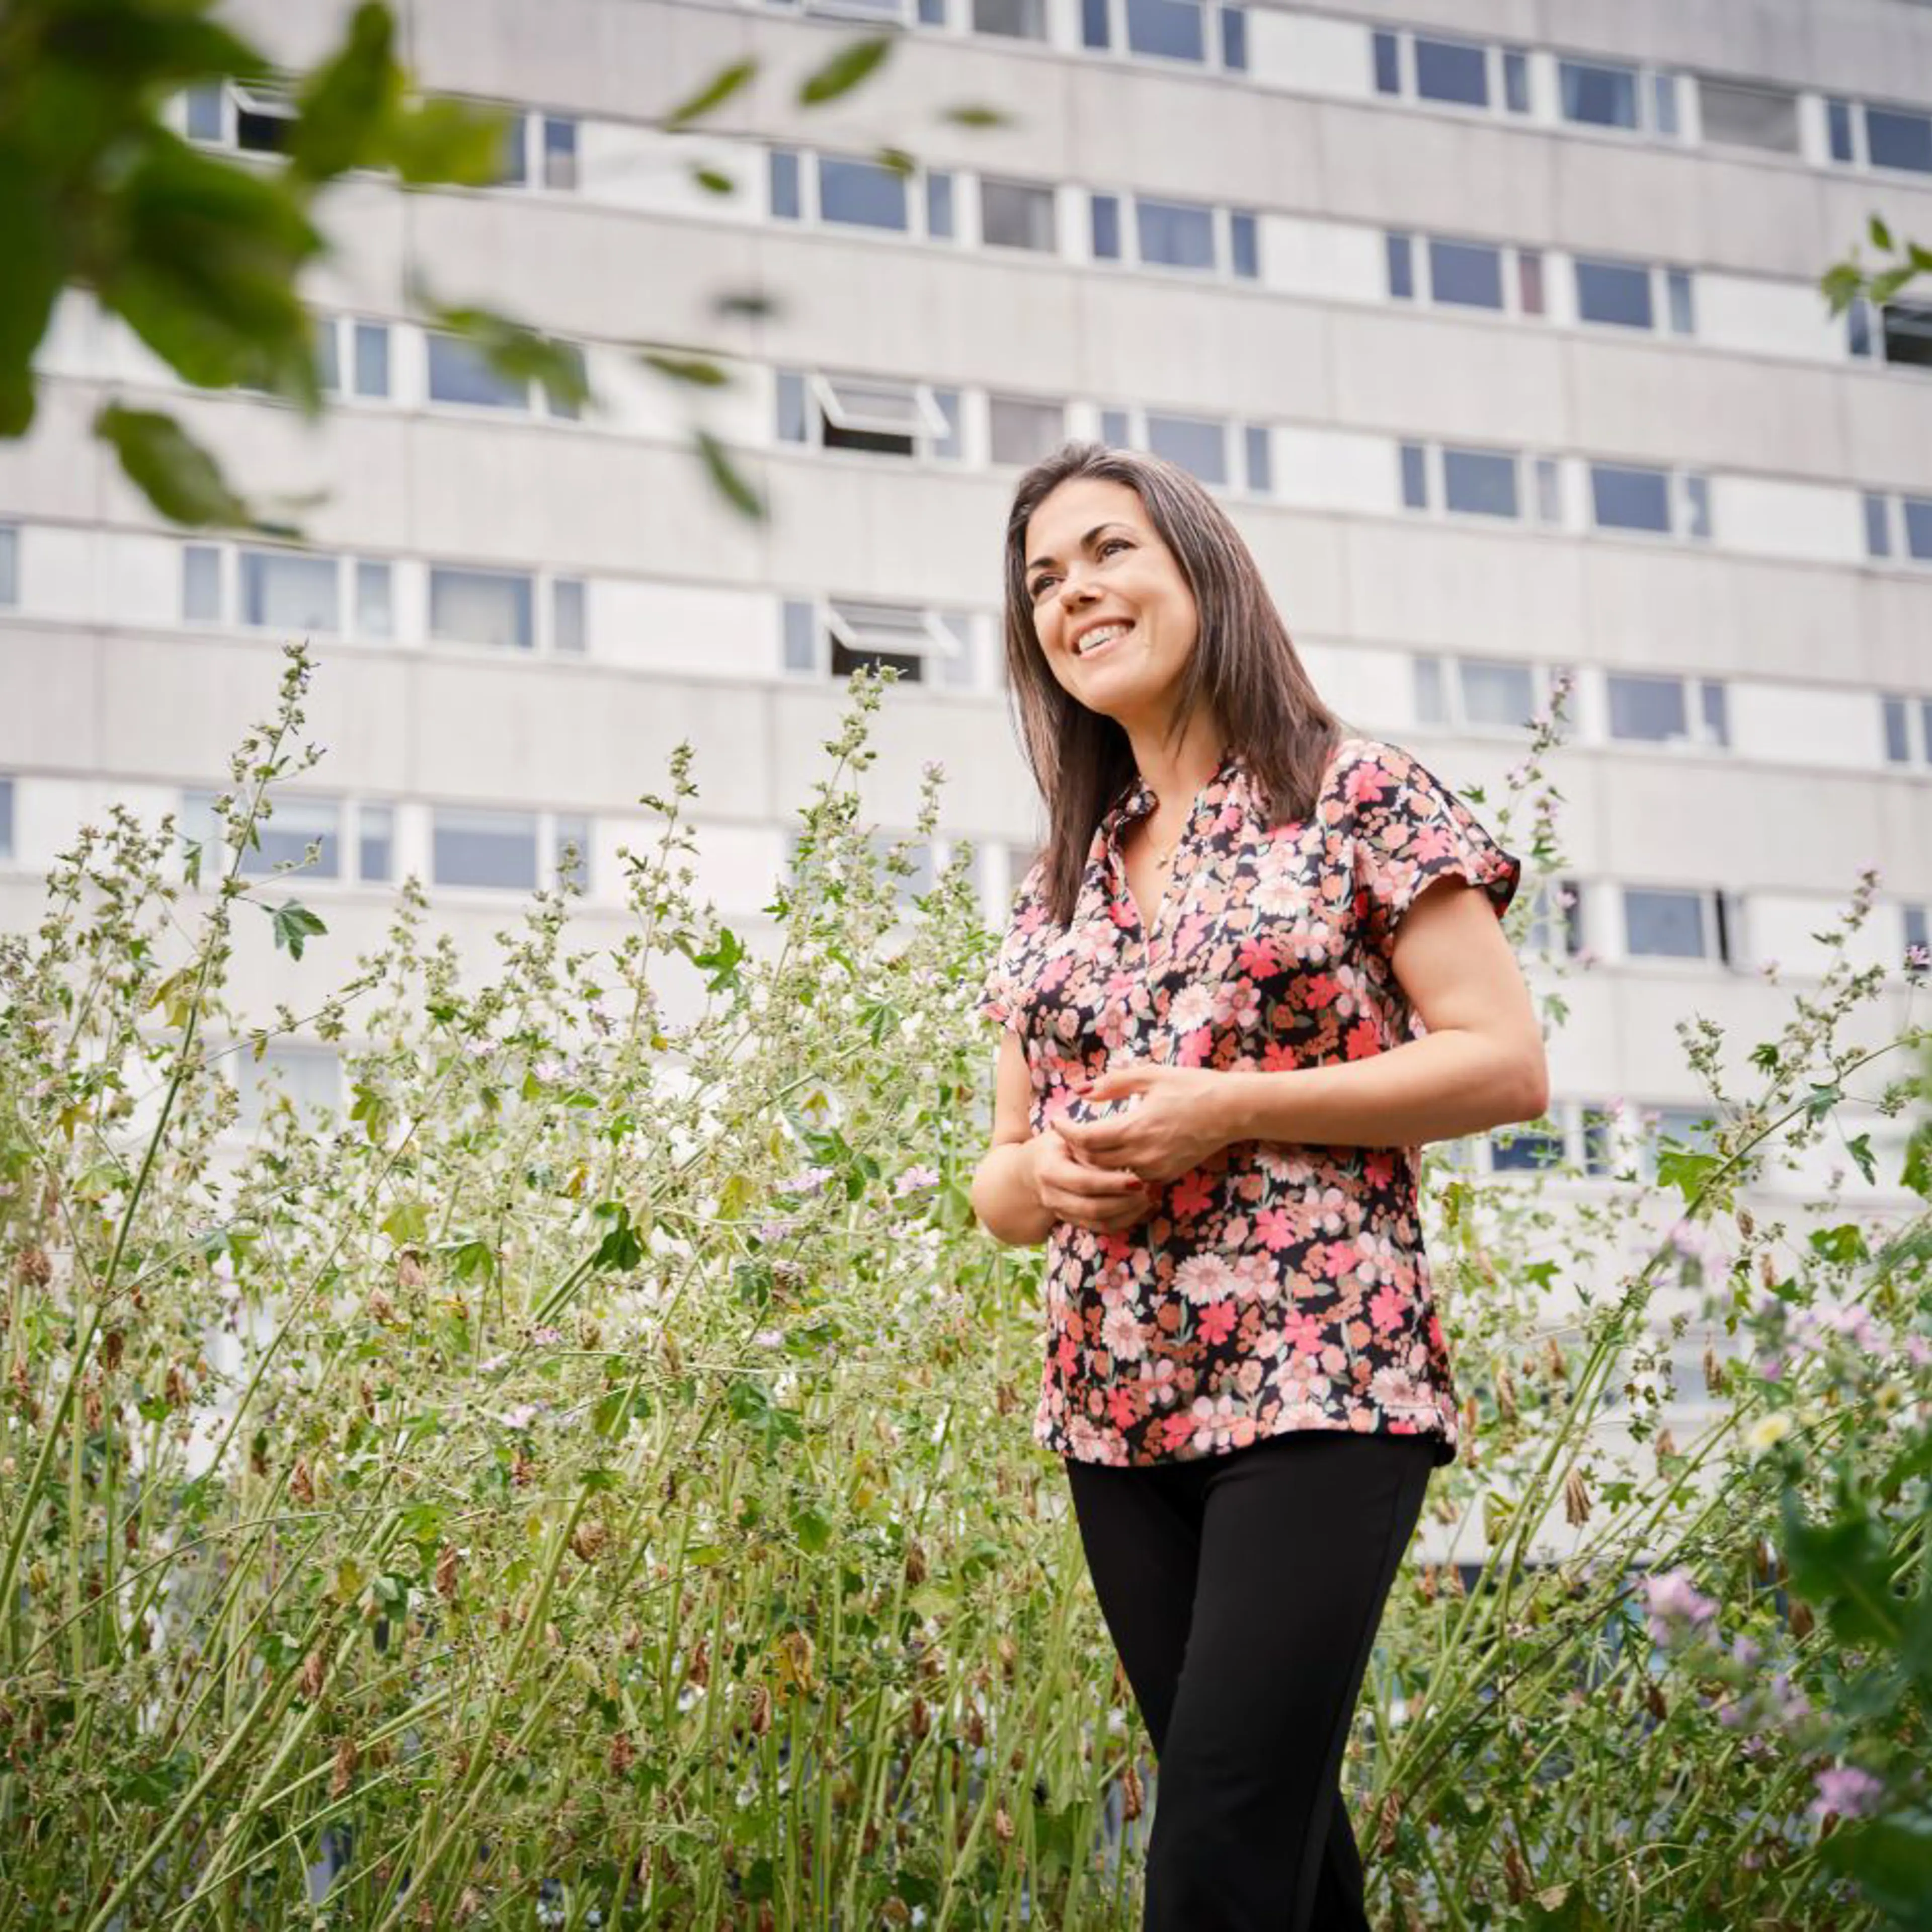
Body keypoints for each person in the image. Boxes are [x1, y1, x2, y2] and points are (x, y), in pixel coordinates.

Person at [968, 441, 1549, 1931]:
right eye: (1043, 578)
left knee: (1216, 1857)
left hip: (1320, 1384)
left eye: (1109, 552)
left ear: (1200, 571)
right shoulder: (1064, 881)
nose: (1075, 593)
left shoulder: (1352, 792)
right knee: (1284, 1858)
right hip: (1114, 1408)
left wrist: (1230, 1112)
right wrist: (1052, 1172)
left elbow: (1503, 1065)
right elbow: (999, 1182)